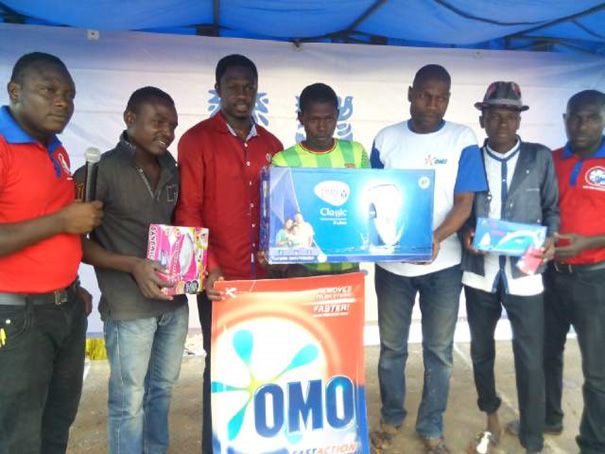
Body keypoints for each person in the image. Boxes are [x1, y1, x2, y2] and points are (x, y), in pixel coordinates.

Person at [369, 64, 487, 453]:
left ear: (448, 100)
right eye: (424, 94)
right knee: (392, 349)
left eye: (441, 97)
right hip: (392, 267)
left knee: (439, 351)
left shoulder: (462, 139)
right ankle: (392, 416)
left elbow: (465, 203)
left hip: (444, 266)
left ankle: (431, 424)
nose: (432, 104)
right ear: (410, 93)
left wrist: (435, 239)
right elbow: (369, 199)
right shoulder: (386, 140)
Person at [175, 54, 283, 453]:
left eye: (249, 86)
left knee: (267, 363)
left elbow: (282, 210)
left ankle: (258, 442)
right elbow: (188, 209)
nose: (242, 94)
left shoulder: (273, 145)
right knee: (221, 368)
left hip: (266, 279)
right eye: (233, 86)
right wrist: (210, 269)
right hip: (220, 281)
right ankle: (216, 446)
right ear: (218, 89)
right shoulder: (196, 140)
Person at [0, 52, 103, 453]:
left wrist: (70, 286)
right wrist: (63, 222)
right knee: (18, 433)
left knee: (57, 421)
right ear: (15, 91)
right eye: (50, 90)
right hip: (17, 315)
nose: (63, 102)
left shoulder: (54, 148)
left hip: (62, 307)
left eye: (70, 94)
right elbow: (55, 222)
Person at [75, 86, 187, 453]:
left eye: (171, 125)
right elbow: (75, 243)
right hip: (128, 308)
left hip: (173, 304)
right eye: (158, 122)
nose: (166, 133)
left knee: (162, 393)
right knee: (128, 403)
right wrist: (132, 265)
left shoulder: (173, 167)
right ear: (129, 119)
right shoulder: (99, 171)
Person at [460, 82, 559, 454]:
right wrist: (467, 231)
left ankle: (533, 436)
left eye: (510, 114)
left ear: (519, 119)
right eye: (494, 114)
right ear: (482, 117)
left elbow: (552, 209)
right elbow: (461, 208)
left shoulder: (539, 157)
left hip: (527, 272)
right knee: (482, 351)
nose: (502, 121)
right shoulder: (470, 156)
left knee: (530, 355)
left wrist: (551, 239)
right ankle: (491, 418)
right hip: (479, 271)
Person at [542, 89, 605, 454]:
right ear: (565, 119)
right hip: (552, 276)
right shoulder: (552, 160)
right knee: (547, 353)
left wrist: (589, 243)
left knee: (597, 373)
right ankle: (549, 417)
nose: (581, 125)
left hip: (596, 279)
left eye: (591, 117)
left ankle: (594, 444)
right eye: (575, 117)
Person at [271, 82, 370, 277]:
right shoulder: (282, 161)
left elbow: (367, 203)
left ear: (338, 116)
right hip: (301, 267)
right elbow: (278, 217)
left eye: (329, 119)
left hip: (346, 265)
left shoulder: (356, 153)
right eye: (314, 119)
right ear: (301, 118)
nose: (322, 127)